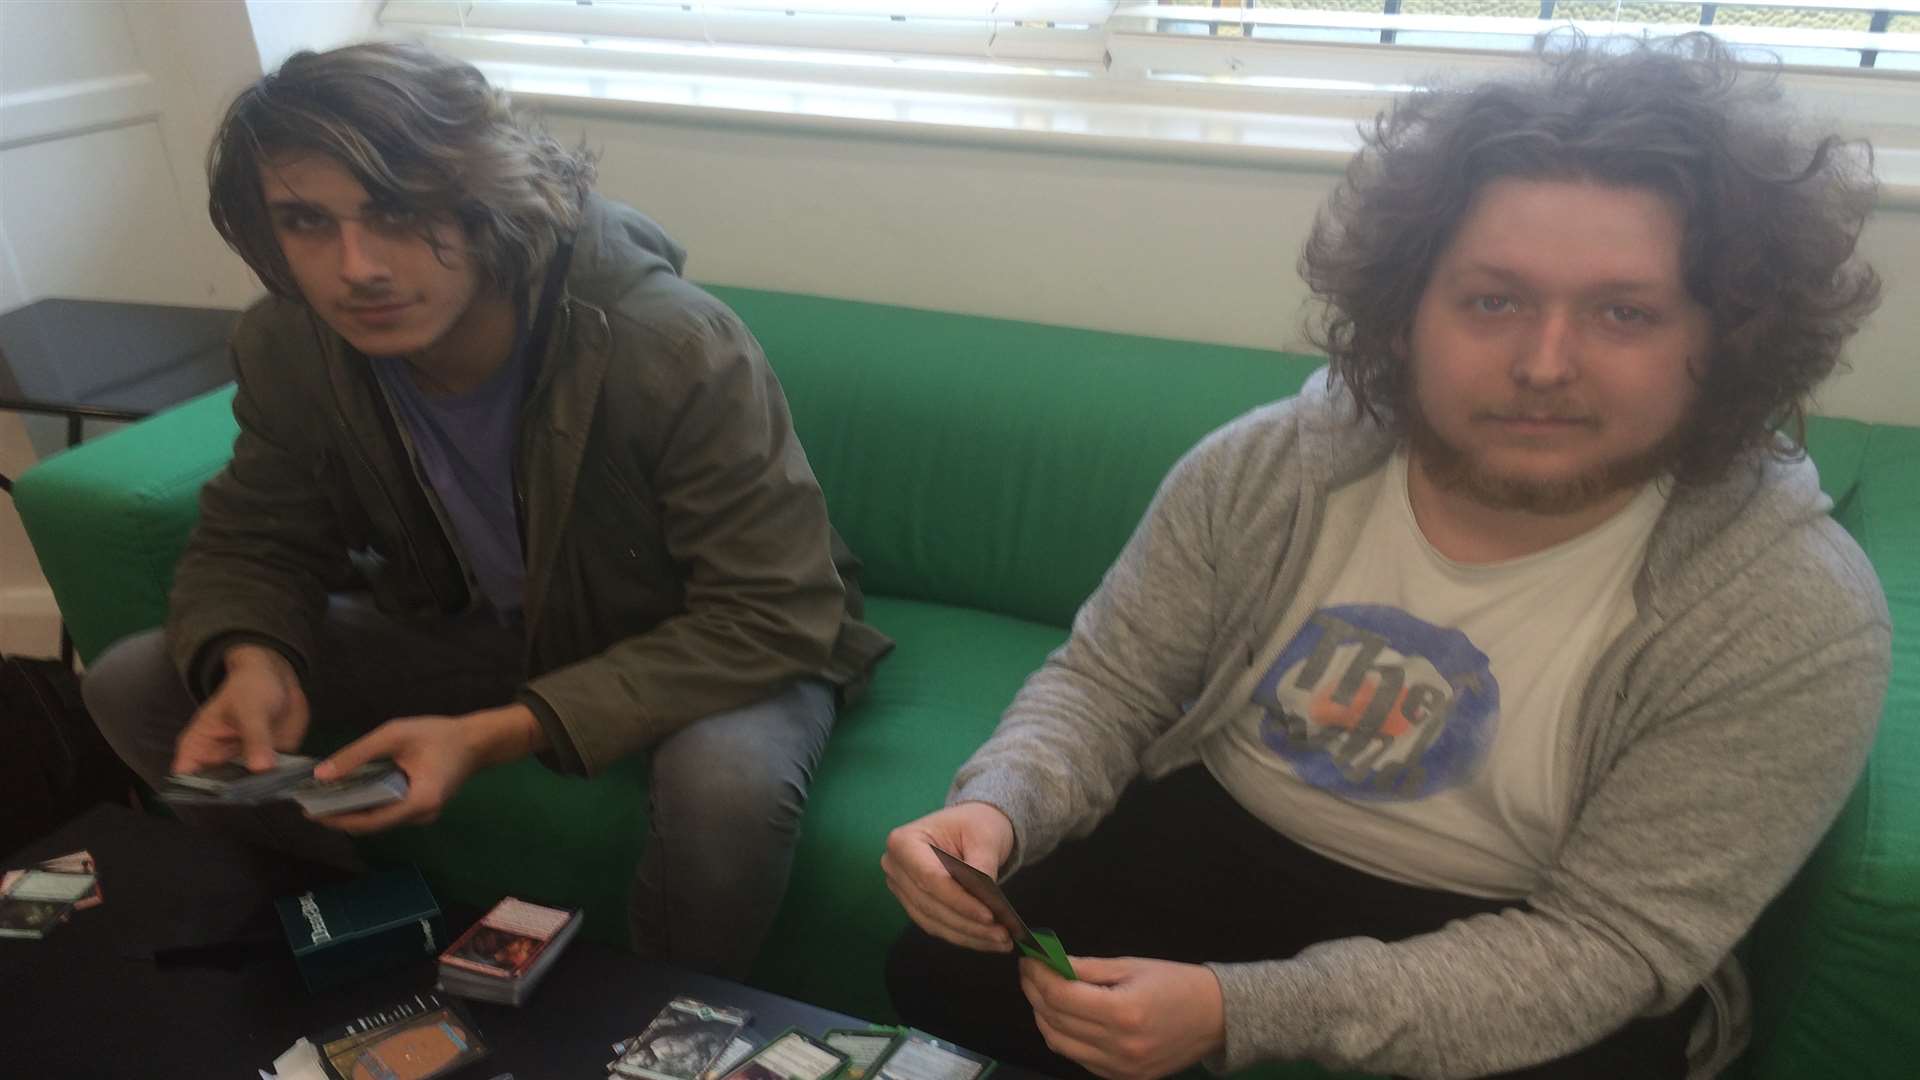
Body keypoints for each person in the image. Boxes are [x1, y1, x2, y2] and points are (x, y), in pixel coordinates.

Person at [881, 33, 1890, 1080]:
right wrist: (999, 803)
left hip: (1531, 923)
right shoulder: (1273, 466)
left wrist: (1246, 1011)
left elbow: (1612, 944)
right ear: (1406, 314)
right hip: (1224, 830)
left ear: (1722, 340)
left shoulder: (1790, 607)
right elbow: (1109, 682)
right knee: (944, 972)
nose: (1544, 364)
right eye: (1493, 300)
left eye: (1623, 313)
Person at [81, 41, 891, 980]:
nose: (357, 268)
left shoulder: (669, 344)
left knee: (728, 789)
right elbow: (258, 535)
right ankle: (343, 931)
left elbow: (775, 611)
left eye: (396, 210)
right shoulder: (290, 344)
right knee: (135, 681)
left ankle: (665, 1020)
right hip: (481, 633)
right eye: (306, 221)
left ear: (485, 196)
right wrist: (254, 657)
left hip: (703, 639)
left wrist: (493, 734)